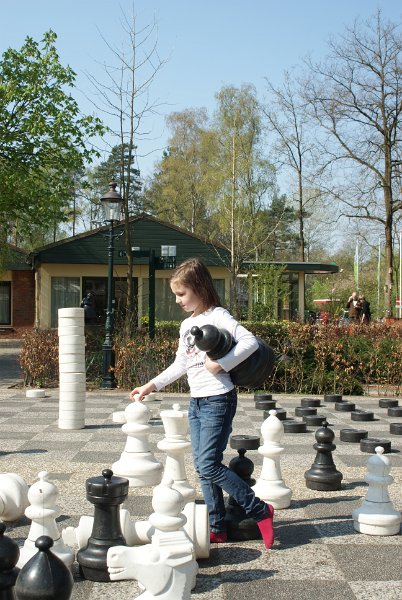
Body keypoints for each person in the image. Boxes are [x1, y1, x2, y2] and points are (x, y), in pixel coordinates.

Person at [130, 257, 275, 549]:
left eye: (181, 293)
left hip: (218, 399)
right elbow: (181, 364)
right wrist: (151, 385)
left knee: (208, 465)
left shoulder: (218, 315)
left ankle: (260, 509)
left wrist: (221, 363)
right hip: (196, 403)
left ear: (199, 287)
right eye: (175, 294)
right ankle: (217, 527)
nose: (177, 300)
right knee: (203, 466)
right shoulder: (187, 325)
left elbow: (250, 342)